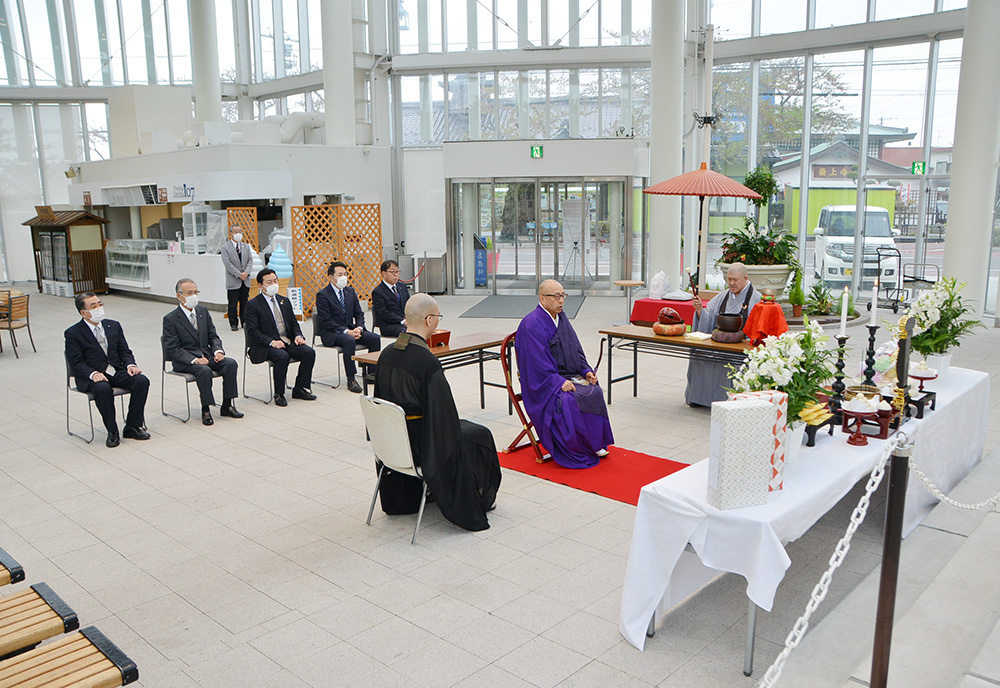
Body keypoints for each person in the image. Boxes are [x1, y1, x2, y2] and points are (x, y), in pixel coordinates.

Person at [373, 293, 501, 531]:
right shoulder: (426, 361)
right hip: (420, 445)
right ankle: (479, 498)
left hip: (392, 443)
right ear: (430, 320)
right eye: (438, 317)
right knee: (480, 435)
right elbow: (444, 418)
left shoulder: (388, 353)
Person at [515, 279, 614, 469]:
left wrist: (586, 371)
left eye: (563, 296)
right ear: (542, 298)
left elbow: (575, 349)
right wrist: (556, 381)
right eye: (556, 296)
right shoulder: (531, 324)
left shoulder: (561, 318)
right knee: (568, 400)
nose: (561, 301)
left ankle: (595, 444)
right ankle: (576, 448)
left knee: (594, 391)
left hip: (566, 375)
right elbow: (535, 363)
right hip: (543, 383)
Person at [65, 292, 151, 447]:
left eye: (99, 304)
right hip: (93, 375)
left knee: (141, 381)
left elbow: (124, 351)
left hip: (115, 371)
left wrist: (131, 365)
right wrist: (92, 374)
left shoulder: (113, 325)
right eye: (93, 306)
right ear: (84, 313)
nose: (99, 308)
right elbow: (76, 362)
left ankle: (132, 426)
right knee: (103, 389)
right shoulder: (73, 333)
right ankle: (112, 431)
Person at [162, 278, 244, 426]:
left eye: (195, 292)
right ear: (179, 296)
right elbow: (173, 348)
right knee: (204, 371)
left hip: (206, 355)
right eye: (189, 293)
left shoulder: (203, 311)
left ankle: (227, 405)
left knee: (230, 364)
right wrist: (194, 360)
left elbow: (213, 335)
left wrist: (218, 351)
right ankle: (205, 409)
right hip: (186, 361)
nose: (193, 296)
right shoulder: (171, 319)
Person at [685, 262, 762, 407]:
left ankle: (730, 402)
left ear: (746, 278)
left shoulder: (756, 299)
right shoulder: (723, 296)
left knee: (733, 362)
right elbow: (708, 316)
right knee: (699, 355)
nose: (731, 283)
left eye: (735, 280)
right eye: (729, 279)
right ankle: (698, 399)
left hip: (741, 347)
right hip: (719, 343)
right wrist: (700, 310)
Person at [245, 268, 317, 406]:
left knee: (309, 352)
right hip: (265, 345)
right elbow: (253, 331)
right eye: (269, 282)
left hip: (286, 341)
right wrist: (272, 342)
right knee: (282, 356)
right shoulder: (253, 305)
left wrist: (298, 336)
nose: (273, 284)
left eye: (275, 281)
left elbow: (293, 324)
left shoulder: (284, 301)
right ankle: (279, 393)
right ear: (261, 286)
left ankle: (300, 388)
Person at [315, 261, 381, 394]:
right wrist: (346, 332)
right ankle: (351, 378)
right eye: (340, 274)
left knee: (374, 338)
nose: (343, 277)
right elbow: (327, 321)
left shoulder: (350, 291)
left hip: (352, 329)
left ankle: (372, 374)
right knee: (349, 341)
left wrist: (359, 328)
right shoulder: (323, 295)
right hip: (333, 333)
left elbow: (359, 313)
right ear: (331, 277)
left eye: (345, 274)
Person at [220, 225, 252, 332]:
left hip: (245, 280)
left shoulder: (246, 246)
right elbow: (227, 264)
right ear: (231, 233)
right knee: (233, 303)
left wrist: (246, 273)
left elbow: (250, 261)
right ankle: (233, 323)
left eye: (240, 231)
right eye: (235, 231)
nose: (238, 233)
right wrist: (239, 274)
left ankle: (244, 322)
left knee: (244, 302)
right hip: (233, 280)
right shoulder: (225, 248)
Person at [370, 259, 410, 338]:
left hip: (406, 321)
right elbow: (384, 313)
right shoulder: (378, 292)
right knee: (409, 333)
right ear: (384, 274)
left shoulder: (402, 286)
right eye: (392, 272)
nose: (396, 275)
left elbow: (409, 304)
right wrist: (402, 321)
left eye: (397, 272)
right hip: (389, 325)